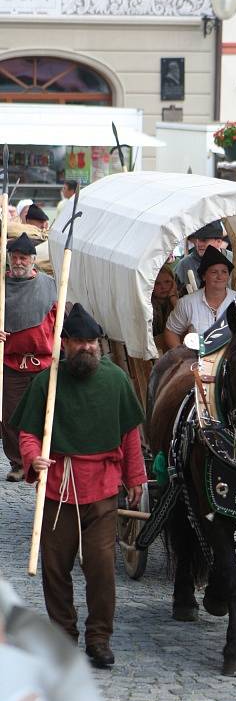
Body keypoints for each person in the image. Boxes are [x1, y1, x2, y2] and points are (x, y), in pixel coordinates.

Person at [11, 304, 146, 669]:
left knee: (101, 567)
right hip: (58, 486)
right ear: (65, 343)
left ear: (99, 344)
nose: (87, 347)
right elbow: (28, 432)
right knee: (55, 567)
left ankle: (99, 638)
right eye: (80, 341)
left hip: (101, 487)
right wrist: (34, 458)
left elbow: (129, 433)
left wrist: (135, 477)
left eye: (92, 342)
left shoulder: (116, 379)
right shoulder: (47, 381)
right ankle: (63, 638)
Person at [0, 233, 57, 481]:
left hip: (43, 362)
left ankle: (45, 459)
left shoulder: (49, 285)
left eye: (23, 257)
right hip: (11, 363)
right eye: (14, 257)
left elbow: (58, 321)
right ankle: (18, 463)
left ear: (32, 260)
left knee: (45, 412)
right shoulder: (1, 286)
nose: (19, 262)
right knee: (10, 415)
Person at [165, 245, 236, 349]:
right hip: (198, 362)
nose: (220, 276)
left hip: (232, 361)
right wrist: (183, 357)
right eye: (214, 272)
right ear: (204, 276)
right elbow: (170, 331)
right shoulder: (188, 303)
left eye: (224, 272)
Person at [174, 221, 232, 293]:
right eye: (197, 239)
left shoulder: (234, 260)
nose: (199, 244)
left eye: (204, 240)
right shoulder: (184, 265)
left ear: (219, 242)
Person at [151, 262, 179, 347]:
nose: (163, 287)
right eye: (157, 283)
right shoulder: (148, 307)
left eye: (167, 282)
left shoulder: (180, 300)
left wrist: (173, 297)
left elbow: (184, 319)